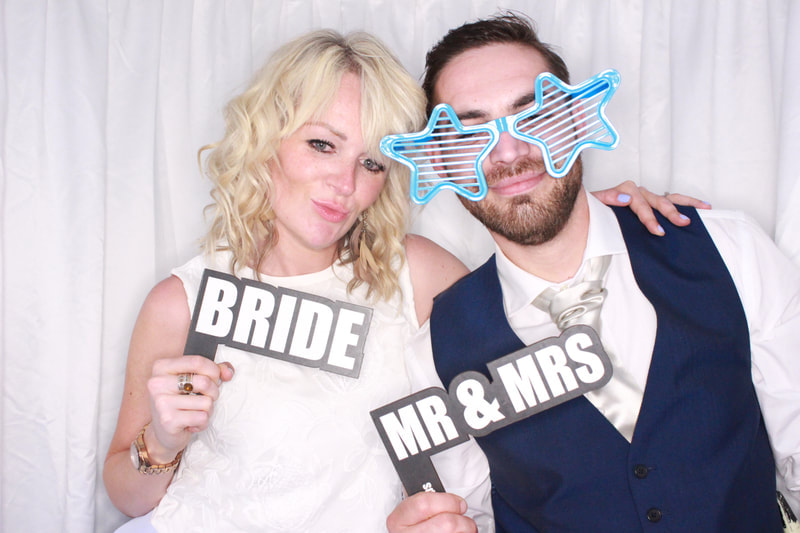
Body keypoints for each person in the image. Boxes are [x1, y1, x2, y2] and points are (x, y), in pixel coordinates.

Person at [103, 27, 699, 533]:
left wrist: (594, 219)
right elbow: (127, 496)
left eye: (370, 163)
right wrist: (160, 441)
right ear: (266, 142)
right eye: (321, 145)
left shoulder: (416, 274)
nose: (346, 183)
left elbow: (537, 327)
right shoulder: (183, 301)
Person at [388, 12, 800, 533]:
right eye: (472, 132)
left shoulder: (729, 249)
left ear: (579, 121)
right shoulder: (434, 355)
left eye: (532, 115)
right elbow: (474, 520)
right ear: (444, 165)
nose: (510, 152)